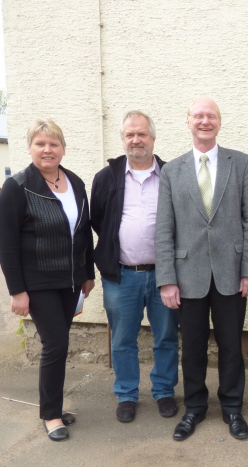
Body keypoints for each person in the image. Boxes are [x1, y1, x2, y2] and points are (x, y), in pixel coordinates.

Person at [156, 97, 248, 441]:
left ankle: (232, 408)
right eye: (198, 116)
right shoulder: (171, 171)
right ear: (188, 121)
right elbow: (164, 228)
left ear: (219, 122)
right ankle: (195, 408)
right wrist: (167, 279)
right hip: (188, 275)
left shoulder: (242, 164)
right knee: (194, 346)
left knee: (232, 345)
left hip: (232, 272)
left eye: (211, 116)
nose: (205, 121)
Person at [0, 119, 95, 441]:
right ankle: (51, 414)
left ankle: (53, 405)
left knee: (59, 343)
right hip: (38, 282)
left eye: (53, 144)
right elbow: (6, 243)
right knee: (56, 344)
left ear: (63, 148)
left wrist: (87, 274)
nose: (47, 150)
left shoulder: (76, 183)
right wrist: (17, 291)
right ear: (30, 148)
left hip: (70, 282)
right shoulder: (18, 187)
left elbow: (82, 233)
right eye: (40, 144)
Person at [90, 111, 179, 423]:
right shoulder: (106, 178)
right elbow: (100, 220)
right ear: (123, 139)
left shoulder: (171, 174)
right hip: (121, 274)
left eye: (141, 134)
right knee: (123, 339)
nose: (135, 140)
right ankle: (127, 394)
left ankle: (164, 390)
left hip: (164, 275)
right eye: (129, 135)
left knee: (166, 336)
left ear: (153, 138)